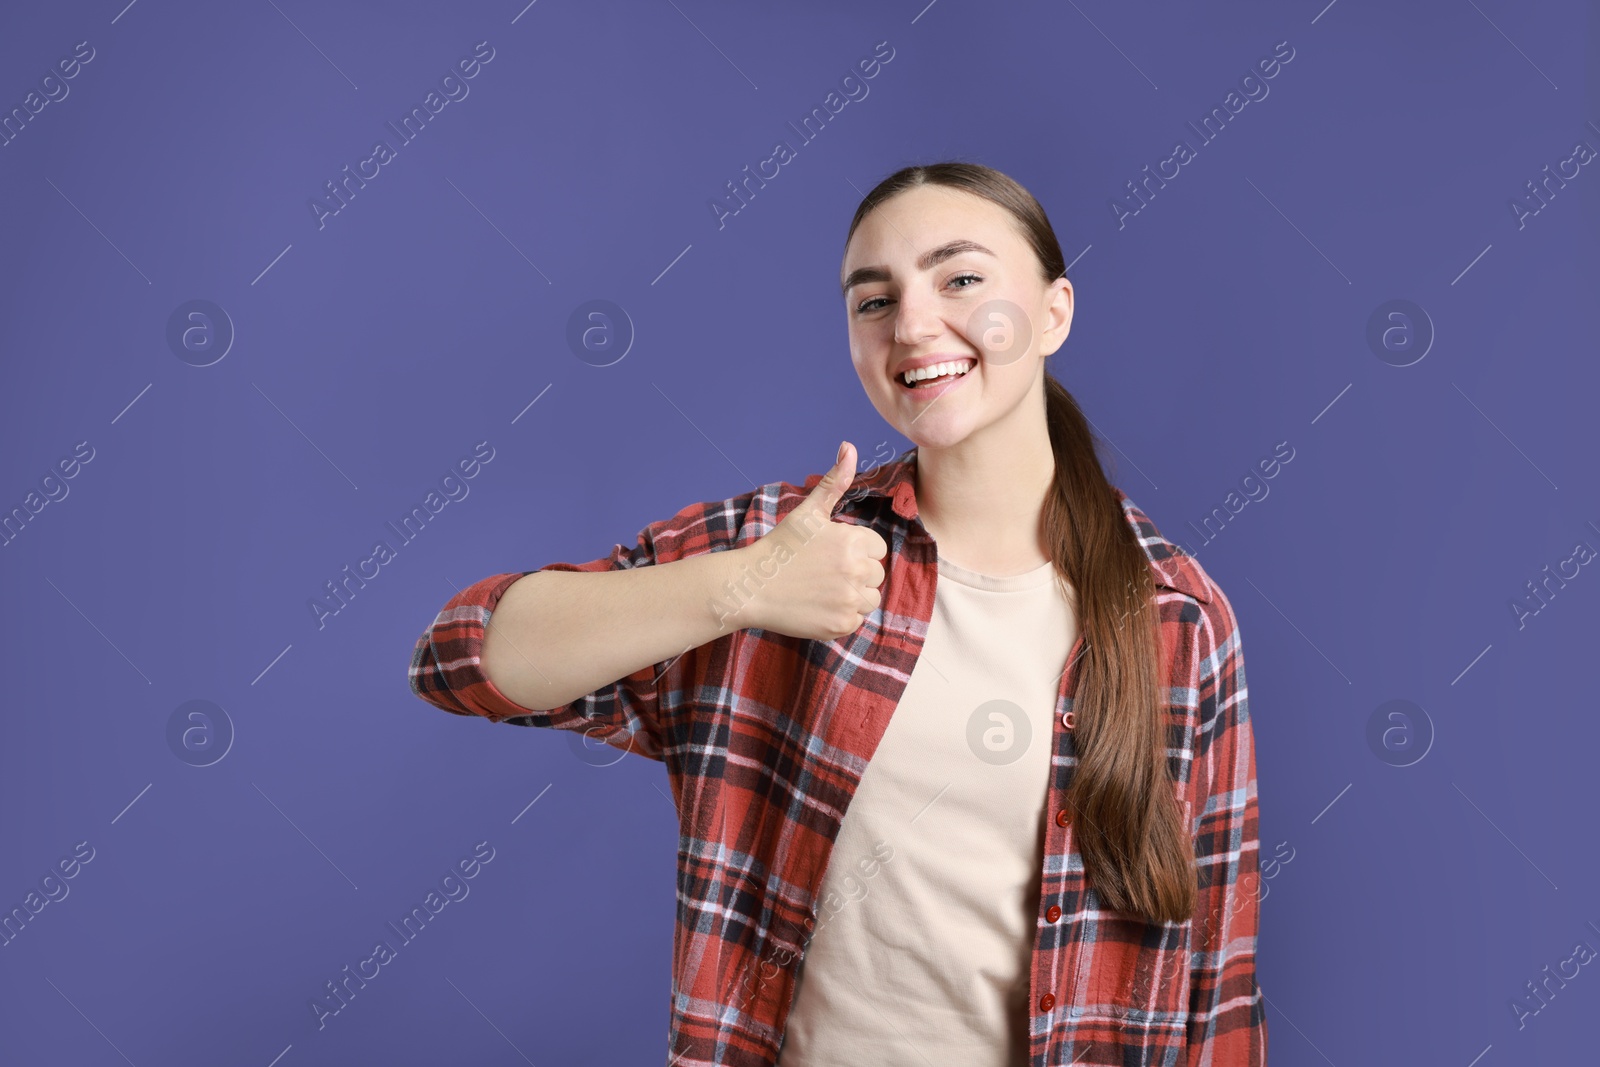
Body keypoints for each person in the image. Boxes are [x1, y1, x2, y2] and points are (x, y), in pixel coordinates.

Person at [407, 161, 1267, 1066]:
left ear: (1054, 311)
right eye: (873, 300)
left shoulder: (1176, 618)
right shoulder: (786, 546)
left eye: (961, 278)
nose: (912, 324)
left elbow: (1218, 993)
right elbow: (460, 658)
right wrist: (741, 587)